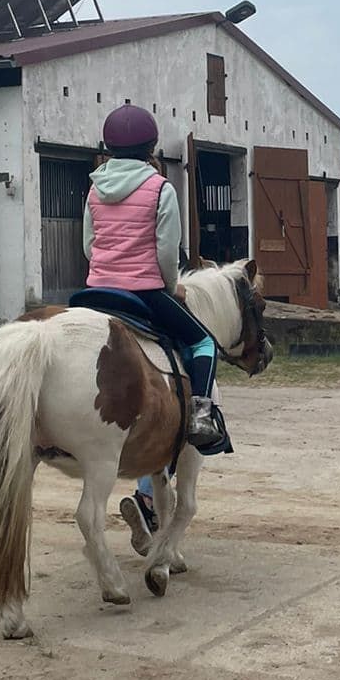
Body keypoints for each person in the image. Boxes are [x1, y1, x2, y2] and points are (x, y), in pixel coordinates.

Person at [83, 104, 224, 453]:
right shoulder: (160, 188)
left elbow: (88, 245)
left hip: (96, 291)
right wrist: (169, 284)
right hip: (144, 291)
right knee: (204, 341)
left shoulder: (94, 188)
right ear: (151, 146)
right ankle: (201, 417)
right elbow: (166, 250)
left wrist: (106, 268)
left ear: (109, 146)